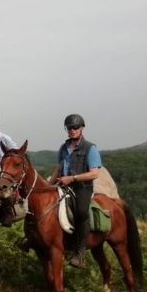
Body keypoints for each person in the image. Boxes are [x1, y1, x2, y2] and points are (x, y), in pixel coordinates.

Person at [49, 113, 102, 269]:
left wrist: (73, 178)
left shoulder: (90, 148)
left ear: (82, 128)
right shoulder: (64, 148)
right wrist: (47, 185)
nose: (72, 130)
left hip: (82, 188)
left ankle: (79, 253)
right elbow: (58, 168)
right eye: (69, 128)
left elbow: (94, 173)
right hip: (63, 185)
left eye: (75, 127)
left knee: (81, 212)